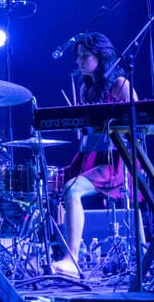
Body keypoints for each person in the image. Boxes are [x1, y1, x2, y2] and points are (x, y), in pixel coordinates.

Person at [52, 32, 138, 277]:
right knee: (60, 184)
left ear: (101, 58)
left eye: (85, 56)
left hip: (119, 159)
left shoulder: (120, 84)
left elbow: (139, 122)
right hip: (94, 154)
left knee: (72, 188)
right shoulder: (85, 88)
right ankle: (67, 255)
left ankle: (72, 259)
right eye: (78, 56)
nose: (79, 61)